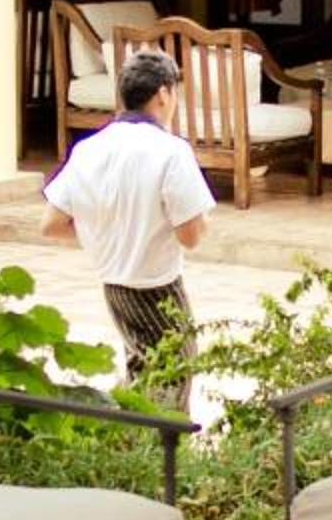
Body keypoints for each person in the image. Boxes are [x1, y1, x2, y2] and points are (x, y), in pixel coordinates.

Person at [40, 48, 212, 405]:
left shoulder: (89, 148)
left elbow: (52, 223)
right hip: (157, 285)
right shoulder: (171, 150)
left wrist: (104, 231)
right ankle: (157, 438)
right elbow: (191, 235)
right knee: (173, 372)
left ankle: (131, 434)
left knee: (140, 368)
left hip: (113, 282)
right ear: (163, 94)